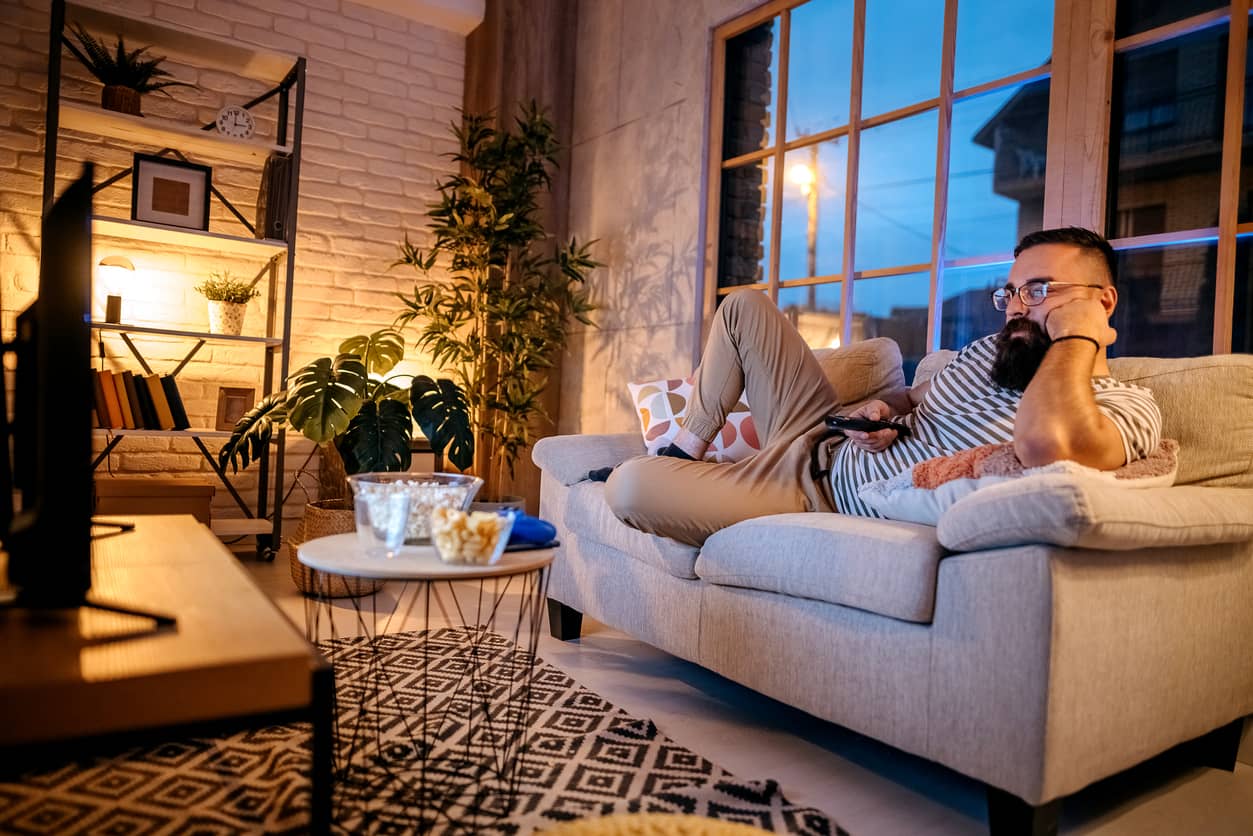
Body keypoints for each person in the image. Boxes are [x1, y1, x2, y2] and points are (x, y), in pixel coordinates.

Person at [605, 227, 1162, 546]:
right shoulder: (989, 353)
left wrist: (1076, 340)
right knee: (744, 305)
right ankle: (689, 450)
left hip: (812, 492)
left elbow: (1047, 446)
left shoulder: (1128, 408)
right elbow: (913, 398)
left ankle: (706, 478)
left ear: (1101, 301)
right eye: (1012, 292)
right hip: (821, 430)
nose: (1016, 308)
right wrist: (882, 407)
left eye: (1039, 291)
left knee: (629, 486)